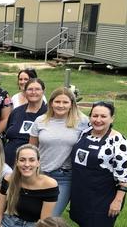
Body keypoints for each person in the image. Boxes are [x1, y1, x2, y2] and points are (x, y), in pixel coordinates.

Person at [70, 101, 127, 227]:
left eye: (103, 116)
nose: (98, 120)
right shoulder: (85, 133)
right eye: (95, 115)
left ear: (112, 118)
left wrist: (118, 200)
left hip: (105, 194)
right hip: (83, 191)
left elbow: (126, 175)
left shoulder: (118, 141)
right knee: (84, 226)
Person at [30, 87, 88, 216]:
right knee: (33, 213)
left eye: (65, 102)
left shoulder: (82, 122)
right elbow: (31, 149)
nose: (61, 105)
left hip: (64, 176)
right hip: (40, 174)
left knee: (50, 216)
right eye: (57, 102)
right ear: (51, 103)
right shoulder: (40, 121)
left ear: (72, 104)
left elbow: (99, 132)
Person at [4, 78, 47, 166]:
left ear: (43, 91)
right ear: (25, 92)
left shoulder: (48, 114)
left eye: (37, 89)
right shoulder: (16, 112)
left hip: (30, 165)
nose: (33, 92)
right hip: (8, 162)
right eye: (30, 89)